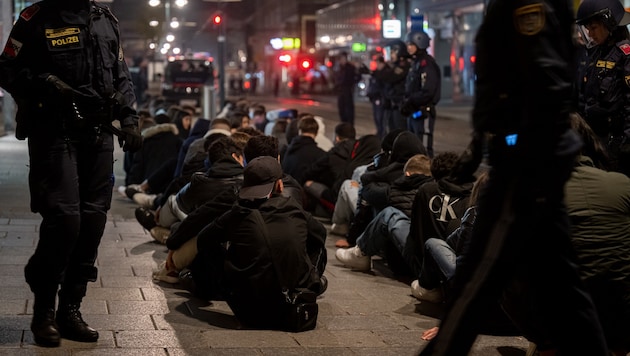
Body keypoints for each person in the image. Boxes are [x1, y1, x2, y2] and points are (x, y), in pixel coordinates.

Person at [418, 0, 609, 355]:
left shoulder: (527, 7)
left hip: (526, 166)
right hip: (536, 159)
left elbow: (540, 77)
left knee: (478, 278)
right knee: (565, 283)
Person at [0, 0, 142, 347]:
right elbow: (6, 68)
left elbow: (119, 72)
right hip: (54, 131)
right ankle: (44, 311)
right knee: (65, 219)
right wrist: (45, 84)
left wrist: (130, 118)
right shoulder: (35, 17)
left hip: (98, 134)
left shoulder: (104, 19)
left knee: (92, 222)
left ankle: (70, 310)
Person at [195, 156, 327, 329]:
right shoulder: (294, 208)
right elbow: (320, 234)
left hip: (248, 312)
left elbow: (203, 240)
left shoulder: (237, 214)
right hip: (293, 306)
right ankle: (311, 284)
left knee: (211, 246)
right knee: (318, 245)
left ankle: (214, 289)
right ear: (279, 185)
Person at [575, 0, 630, 177]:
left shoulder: (625, 56)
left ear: (609, 23)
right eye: (587, 29)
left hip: (618, 148)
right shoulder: (596, 53)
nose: (589, 34)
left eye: (593, 27)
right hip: (596, 143)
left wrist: (624, 145)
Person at [401, 30, 441, 158]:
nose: (408, 47)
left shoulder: (426, 64)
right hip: (414, 111)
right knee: (413, 148)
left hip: (423, 112)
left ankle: (427, 175)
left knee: (423, 148)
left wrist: (411, 100)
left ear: (419, 44)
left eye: (411, 44)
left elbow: (428, 91)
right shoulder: (416, 63)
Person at [333, 51, 360, 125]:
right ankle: (343, 124)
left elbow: (357, 77)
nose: (342, 60)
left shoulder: (350, 68)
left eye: (343, 58)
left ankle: (349, 124)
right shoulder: (339, 68)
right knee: (341, 108)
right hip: (340, 90)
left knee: (349, 109)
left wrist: (351, 84)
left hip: (347, 89)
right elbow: (335, 78)